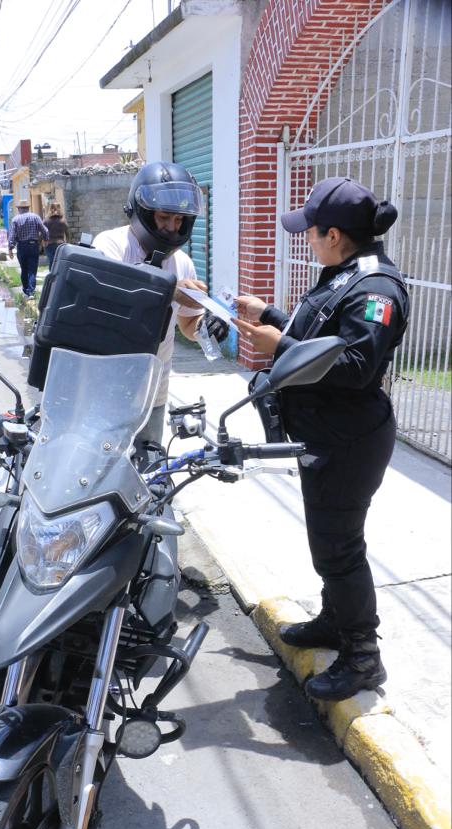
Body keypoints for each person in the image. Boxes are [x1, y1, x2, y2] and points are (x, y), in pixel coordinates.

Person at [230, 176, 409, 702]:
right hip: (325, 433)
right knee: (327, 543)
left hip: (350, 439)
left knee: (340, 549)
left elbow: (355, 365)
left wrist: (279, 343)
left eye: (310, 230)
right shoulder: (344, 274)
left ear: (334, 235)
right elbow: (322, 338)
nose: (305, 237)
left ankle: (362, 657)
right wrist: (271, 317)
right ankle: (335, 620)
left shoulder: (377, 288)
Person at [93, 161, 227, 465]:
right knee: (99, 473)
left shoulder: (182, 263)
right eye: (164, 217)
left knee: (149, 474)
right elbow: (112, 298)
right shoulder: (111, 245)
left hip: (154, 393)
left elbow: (187, 323)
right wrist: (169, 289)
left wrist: (207, 326)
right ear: (141, 212)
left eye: (179, 219)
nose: (172, 227)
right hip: (105, 390)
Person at [8, 199, 48, 297]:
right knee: (32, 269)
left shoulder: (15, 219)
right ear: (28, 208)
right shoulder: (35, 217)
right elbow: (45, 231)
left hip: (21, 246)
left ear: (19, 209)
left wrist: (10, 249)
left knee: (24, 269)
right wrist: (44, 240)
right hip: (33, 245)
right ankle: (31, 291)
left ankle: (26, 290)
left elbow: (12, 235)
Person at [42, 201, 69, 269]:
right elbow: (68, 233)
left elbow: (42, 233)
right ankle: (59, 277)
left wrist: (41, 243)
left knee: (52, 262)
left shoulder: (46, 220)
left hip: (49, 244)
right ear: (60, 209)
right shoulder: (63, 220)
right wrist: (67, 243)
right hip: (61, 244)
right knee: (59, 262)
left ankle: (52, 277)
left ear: (50, 209)